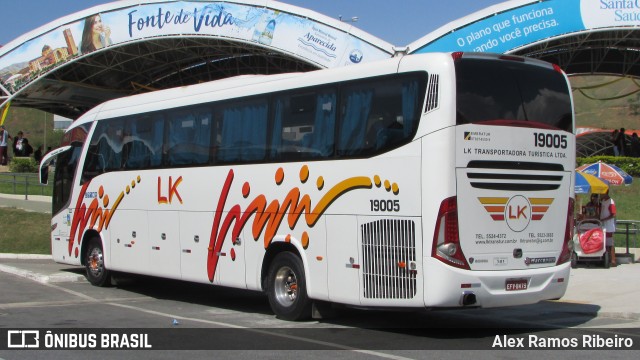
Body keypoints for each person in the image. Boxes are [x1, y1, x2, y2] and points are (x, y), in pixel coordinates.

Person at [600, 190, 617, 267]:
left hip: (609, 226)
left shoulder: (611, 202)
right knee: (604, 242)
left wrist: (604, 219)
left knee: (610, 243)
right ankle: (606, 258)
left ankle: (613, 259)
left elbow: (613, 214)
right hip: (603, 225)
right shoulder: (603, 201)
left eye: (601, 193)